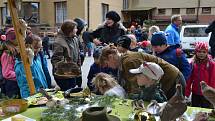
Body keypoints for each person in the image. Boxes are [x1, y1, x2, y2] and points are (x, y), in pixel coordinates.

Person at [99, 46, 186, 99]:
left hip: (173, 80)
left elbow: (137, 86)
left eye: (107, 64)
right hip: (167, 80)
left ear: (110, 57)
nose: (108, 67)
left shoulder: (128, 61)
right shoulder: (124, 61)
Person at [51, 20, 82, 91]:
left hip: (73, 73)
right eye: (75, 28)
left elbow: (77, 54)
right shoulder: (59, 42)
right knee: (67, 94)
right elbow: (56, 60)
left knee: (75, 93)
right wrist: (66, 69)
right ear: (69, 30)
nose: (76, 30)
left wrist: (78, 68)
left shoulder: (74, 38)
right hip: (64, 76)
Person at [185, 42, 215, 108]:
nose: (201, 54)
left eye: (204, 52)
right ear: (196, 52)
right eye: (199, 51)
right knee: (195, 109)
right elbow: (189, 79)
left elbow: (213, 80)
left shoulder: (211, 64)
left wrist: (212, 93)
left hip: (207, 94)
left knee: (206, 110)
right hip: (195, 92)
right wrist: (187, 93)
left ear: (207, 52)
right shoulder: (193, 63)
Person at [1, 28, 20, 98]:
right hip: (11, 84)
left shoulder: (15, 50)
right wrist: (21, 75)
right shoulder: (7, 53)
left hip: (16, 82)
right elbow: (7, 73)